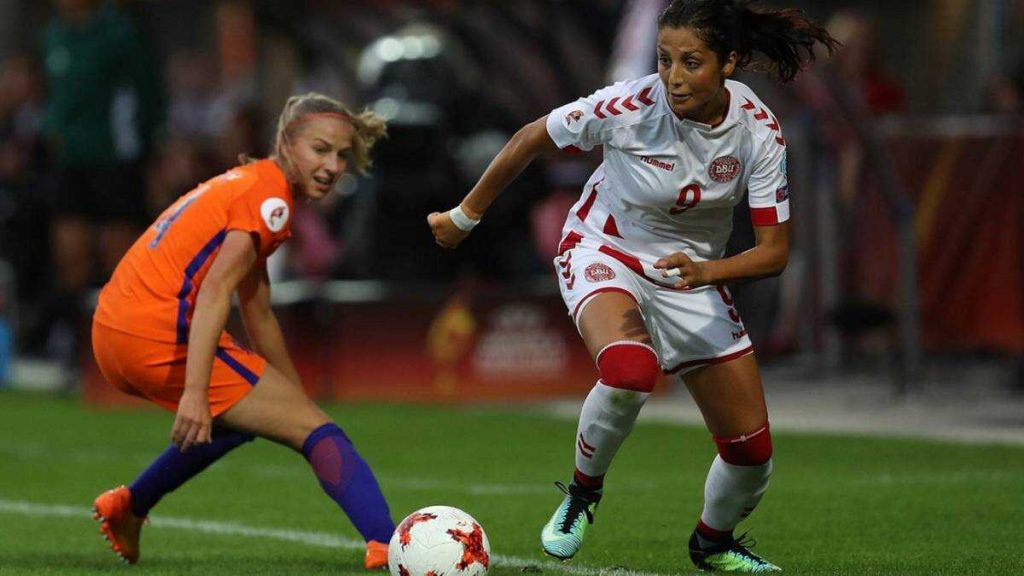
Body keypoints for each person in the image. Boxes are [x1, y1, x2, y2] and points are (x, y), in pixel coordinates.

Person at [428, 0, 838, 572]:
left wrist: (707, 273)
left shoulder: (759, 131)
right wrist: (463, 217)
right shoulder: (628, 106)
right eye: (665, 59)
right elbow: (529, 138)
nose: (672, 76)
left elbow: (774, 254)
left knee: (752, 455)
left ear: (729, 62)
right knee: (628, 372)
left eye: (691, 62)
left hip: (689, 275)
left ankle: (713, 543)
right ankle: (582, 495)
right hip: (605, 250)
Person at [90, 93, 395, 569]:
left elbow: (259, 314)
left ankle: (129, 506)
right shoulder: (271, 199)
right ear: (286, 143)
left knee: (243, 423)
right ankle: (390, 545)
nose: (333, 166)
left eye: (341, 155)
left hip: (113, 331)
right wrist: (196, 391)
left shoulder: (251, 185)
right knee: (320, 433)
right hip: (154, 331)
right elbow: (215, 292)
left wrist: (293, 399)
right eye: (320, 149)